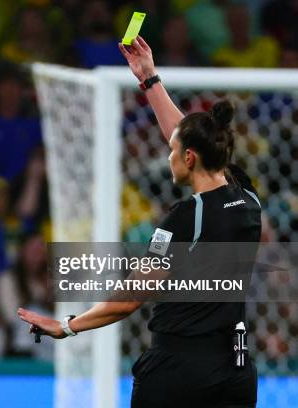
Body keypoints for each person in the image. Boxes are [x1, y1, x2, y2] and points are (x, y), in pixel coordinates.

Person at [18, 36, 261, 408]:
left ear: (190, 158)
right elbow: (188, 136)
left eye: (172, 152)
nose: (168, 157)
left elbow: (128, 300)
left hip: (179, 372)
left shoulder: (184, 219)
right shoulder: (247, 197)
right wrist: (149, 79)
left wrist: (67, 325)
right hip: (236, 368)